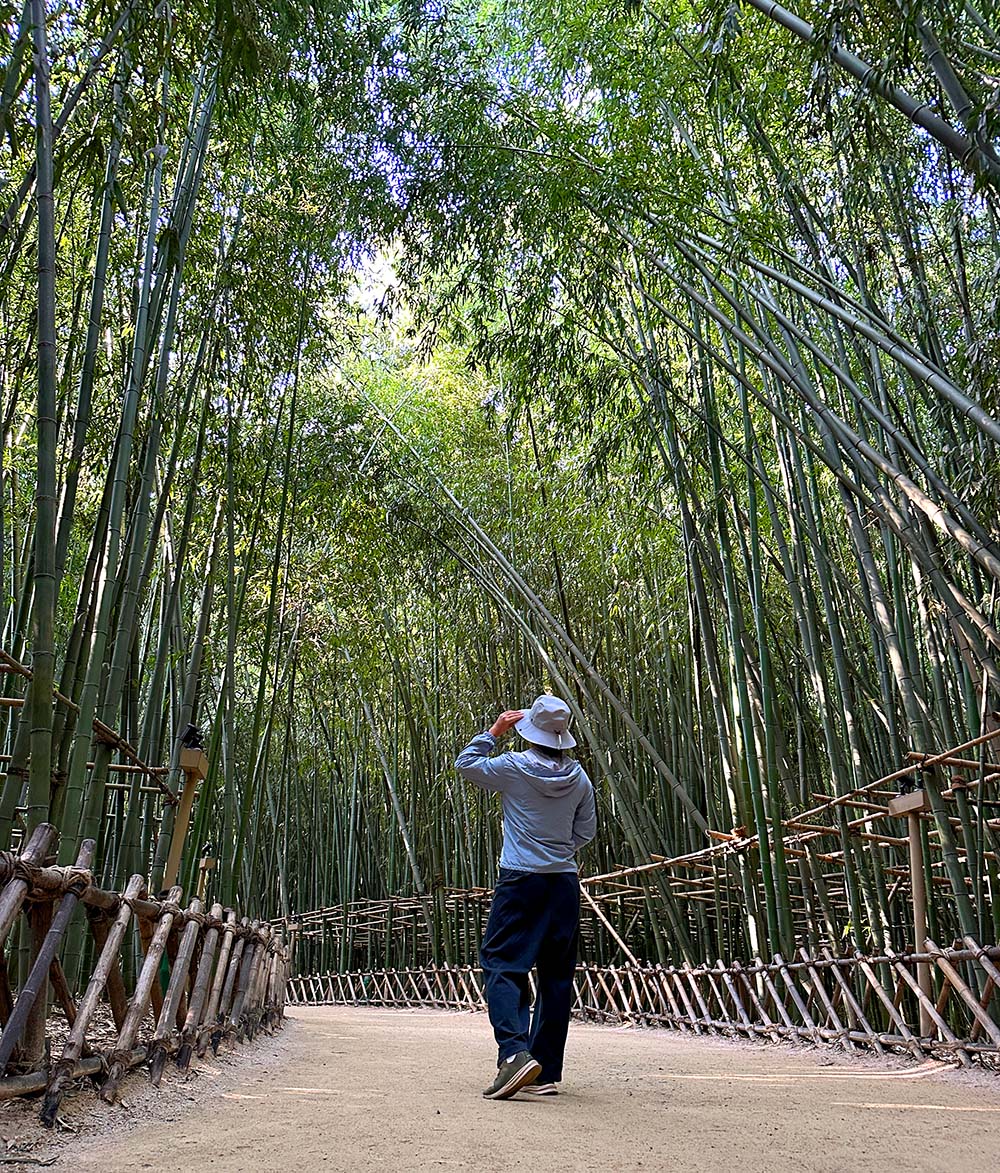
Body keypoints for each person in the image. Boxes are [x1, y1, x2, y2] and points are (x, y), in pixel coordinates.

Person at [455, 694, 597, 1100]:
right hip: (564, 884)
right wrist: (558, 850)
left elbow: (465, 764)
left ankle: (515, 1055)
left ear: (529, 731)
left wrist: (494, 731)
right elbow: (585, 831)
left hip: (521, 880)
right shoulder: (580, 778)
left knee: (502, 964)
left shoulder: (513, 768)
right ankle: (546, 1072)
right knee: (556, 977)